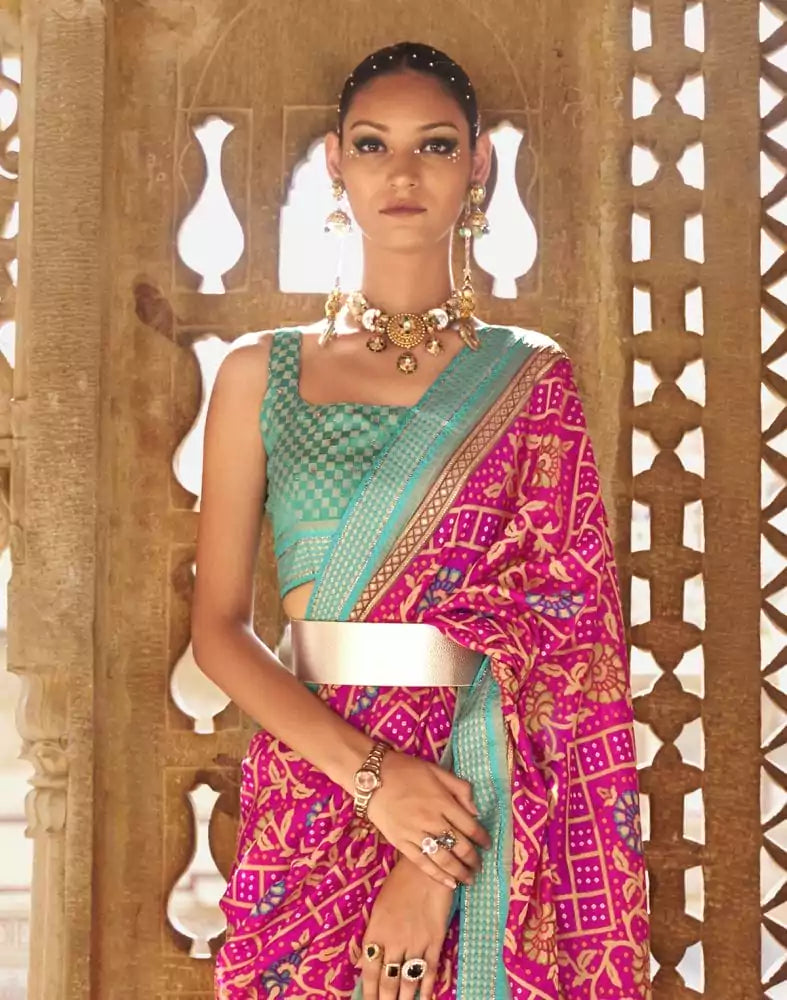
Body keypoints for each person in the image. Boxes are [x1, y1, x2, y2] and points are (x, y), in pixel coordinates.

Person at [192, 40, 651, 1000]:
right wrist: (373, 781)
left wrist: (435, 857)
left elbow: (563, 646)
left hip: (486, 796)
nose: (401, 173)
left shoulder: (529, 377)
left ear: (477, 165)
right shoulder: (258, 373)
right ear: (335, 163)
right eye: (372, 145)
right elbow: (219, 632)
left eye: (435, 146)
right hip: (313, 786)